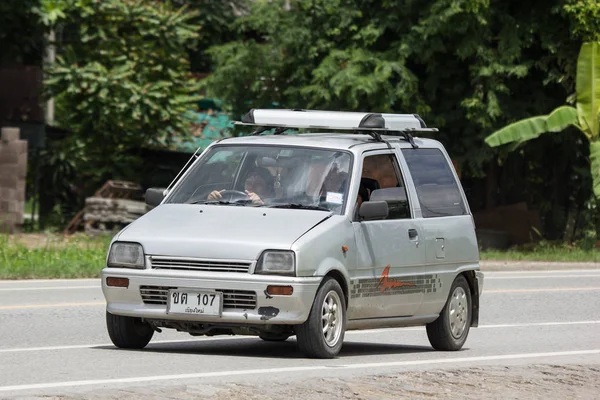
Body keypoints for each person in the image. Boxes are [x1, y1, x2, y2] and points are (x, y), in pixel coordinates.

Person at [207, 167, 274, 205]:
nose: (252, 187)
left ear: (268, 189)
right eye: (248, 183)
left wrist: (260, 205)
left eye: (258, 184)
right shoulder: (233, 201)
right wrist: (211, 202)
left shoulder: (275, 206)